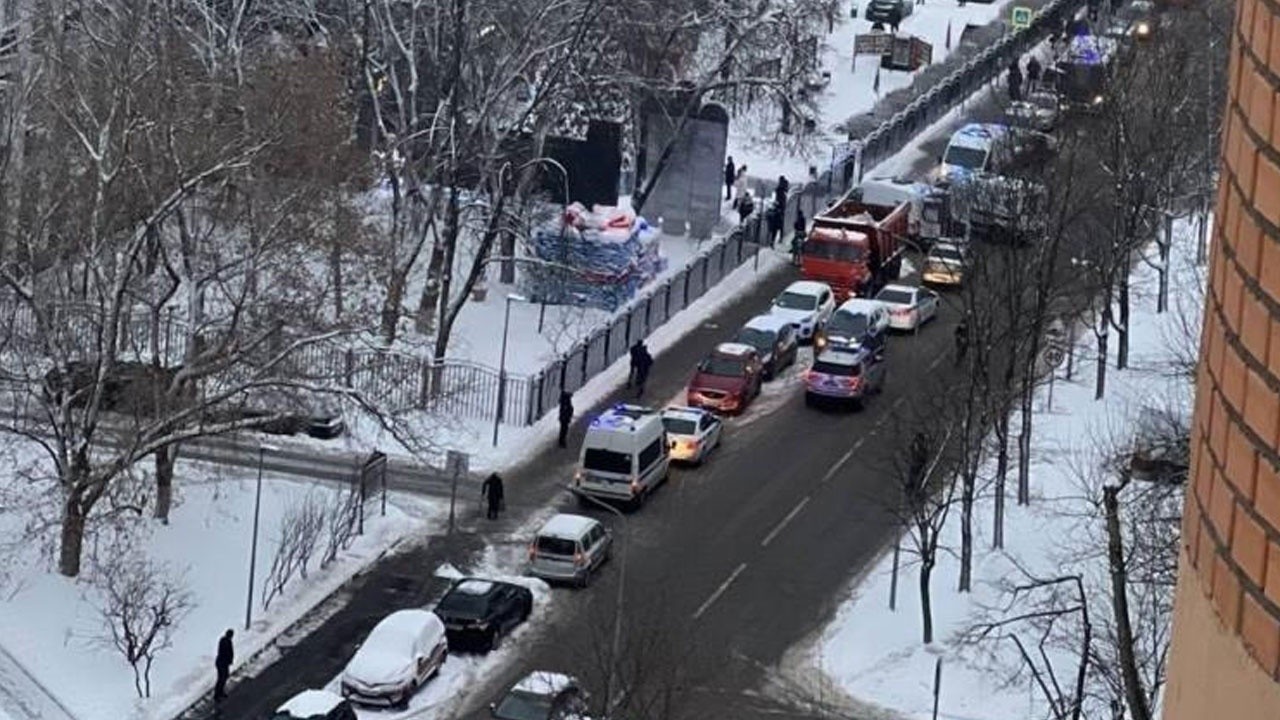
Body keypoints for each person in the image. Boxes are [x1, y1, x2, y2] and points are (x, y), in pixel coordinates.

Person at [214, 629, 234, 701]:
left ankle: (220, 692)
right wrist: (229, 660)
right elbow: (226, 652)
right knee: (221, 678)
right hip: (222, 663)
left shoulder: (225, 640)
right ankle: (217, 694)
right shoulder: (226, 641)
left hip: (223, 662)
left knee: (224, 676)